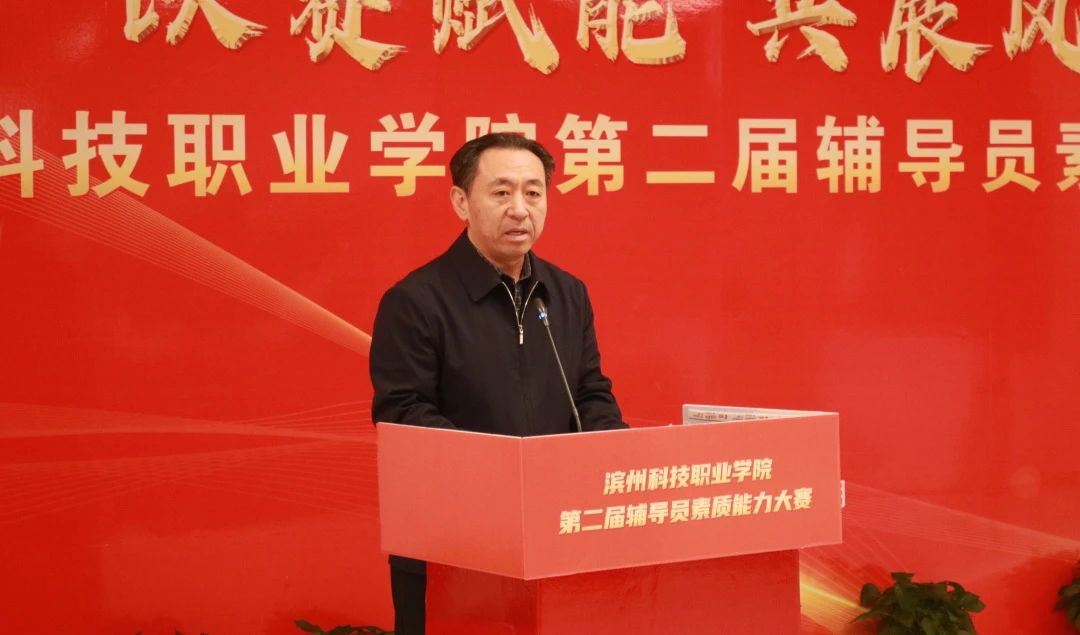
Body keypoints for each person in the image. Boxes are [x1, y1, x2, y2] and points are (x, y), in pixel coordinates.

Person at [369, 133, 626, 635]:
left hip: (555, 539)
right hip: (451, 547)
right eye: (501, 192)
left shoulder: (567, 294)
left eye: (533, 192)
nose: (520, 209)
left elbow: (590, 394)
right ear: (461, 202)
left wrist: (618, 461)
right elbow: (403, 414)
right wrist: (502, 480)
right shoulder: (416, 301)